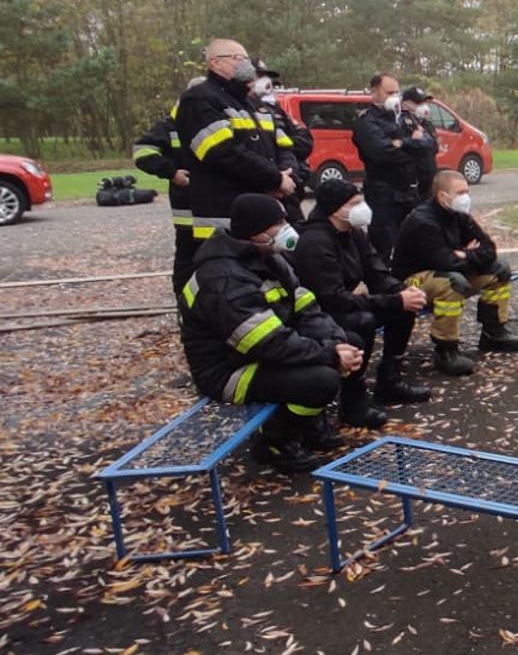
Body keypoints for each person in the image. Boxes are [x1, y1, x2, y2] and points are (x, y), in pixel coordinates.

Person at [182, 194, 362, 473]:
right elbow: (265, 343)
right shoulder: (223, 278)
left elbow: (306, 308)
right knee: (322, 379)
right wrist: (328, 355)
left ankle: (306, 426)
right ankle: (276, 442)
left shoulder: (270, 258)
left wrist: (336, 342)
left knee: (352, 342)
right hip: (228, 370)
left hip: (264, 352)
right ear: (256, 232)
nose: (287, 228)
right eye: (279, 223)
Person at [289, 180, 433, 428]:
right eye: (354, 204)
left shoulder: (353, 233)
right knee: (363, 322)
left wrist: (401, 292)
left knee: (403, 308)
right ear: (335, 209)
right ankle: (352, 399)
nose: (362, 208)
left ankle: (390, 379)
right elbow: (332, 297)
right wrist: (392, 300)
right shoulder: (315, 241)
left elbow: (376, 272)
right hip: (316, 314)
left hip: (341, 304)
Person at [174, 39, 298, 283]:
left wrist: (286, 174)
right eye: (237, 58)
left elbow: (282, 144)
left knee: (269, 279)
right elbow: (222, 152)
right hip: (224, 214)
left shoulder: (252, 104)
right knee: (229, 282)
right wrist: (274, 178)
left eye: (245, 58)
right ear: (215, 63)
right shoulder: (199, 99)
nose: (245, 64)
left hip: (262, 209)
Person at [391, 170, 518, 374]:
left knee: (500, 268)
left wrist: (464, 255)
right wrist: (467, 255)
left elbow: (489, 248)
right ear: (442, 196)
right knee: (454, 282)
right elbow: (445, 262)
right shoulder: (423, 221)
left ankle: (493, 333)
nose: (466, 197)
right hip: (412, 281)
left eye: (467, 191)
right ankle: (445, 350)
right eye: (460, 192)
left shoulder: (458, 215)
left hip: (445, 271)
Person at [352, 74, 438, 259]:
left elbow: (429, 144)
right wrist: (412, 145)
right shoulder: (367, 122)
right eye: (389, 92)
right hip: (384, 194)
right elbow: (383, 153)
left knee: (414, 244)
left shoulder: (403, 118)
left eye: (397, 92)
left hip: (410, 192)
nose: (395, 97)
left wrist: (402, 143)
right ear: (374, 93)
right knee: (384, 246)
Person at [131, 79, 203, 297]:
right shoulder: (170, 125)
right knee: (188, 264)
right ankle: (185, 308)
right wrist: (171, 172)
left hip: (217, 209)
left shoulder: (213, 121)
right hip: (188, 212)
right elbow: (142, 152)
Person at [250, 59, 312, 224]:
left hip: (291, 187)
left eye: (265, 76)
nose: (265, 81)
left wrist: (284, 145)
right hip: (267, 189)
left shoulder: (277, 111)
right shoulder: (242, 110)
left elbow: (305, 142)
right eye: (259, 76)